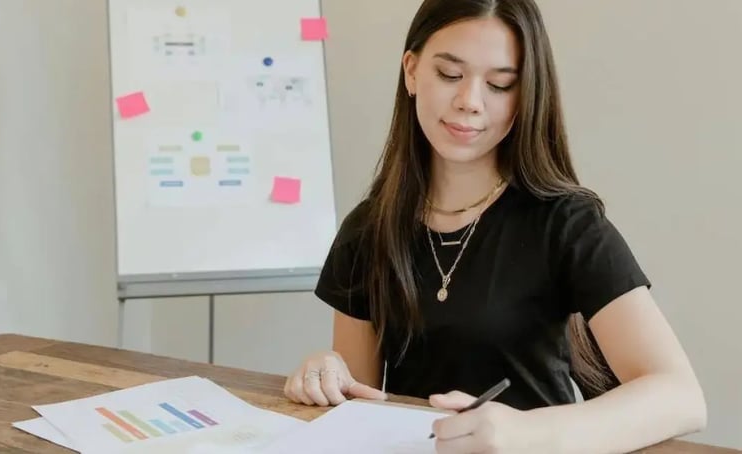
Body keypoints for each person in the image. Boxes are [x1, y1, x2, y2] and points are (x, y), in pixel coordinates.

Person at [284, 0, 707, 452]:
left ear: (525, 95)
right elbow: (359, 402)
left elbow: (681, 397)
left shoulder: (567, 223)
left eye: (501, 84)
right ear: (411, 71)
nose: (470, 102)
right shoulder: (367, 229)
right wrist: (326, 373)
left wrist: (528, 434)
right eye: (450, 75)